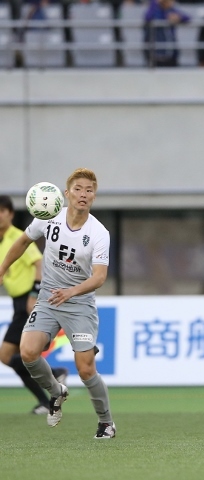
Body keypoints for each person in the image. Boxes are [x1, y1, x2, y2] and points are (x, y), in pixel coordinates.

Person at [0, 168, 116, 439]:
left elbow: (99, 277)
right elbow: (23, 242)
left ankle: (106, 422)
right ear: (67, 193)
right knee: (28, 352)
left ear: (94, 196)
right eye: (78, 189)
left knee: (86, 369)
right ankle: (56, 391)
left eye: (89, 190)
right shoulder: (48, 216)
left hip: (80, 304)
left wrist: (71, 292)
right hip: (49, 298)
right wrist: (3, 268)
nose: (83, 194)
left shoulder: (99, 233)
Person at [0, 195, 68, 415]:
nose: (0, 216)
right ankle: (48, 392)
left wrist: (33, 294)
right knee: (15, 357)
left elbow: (39, 263)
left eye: (3, 211)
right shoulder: (1, 240)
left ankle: (53, 377)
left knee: (7, 355)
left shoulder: (17, 236)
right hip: (17, 303)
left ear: (11, 214)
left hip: (27, 300)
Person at [143, 0, 191, 67]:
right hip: (157, 54)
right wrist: (155, 2)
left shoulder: (171, 11)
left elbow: (188, 17)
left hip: (171, 54)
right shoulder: (156, 11)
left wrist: (178, 17)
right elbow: (148, 18)